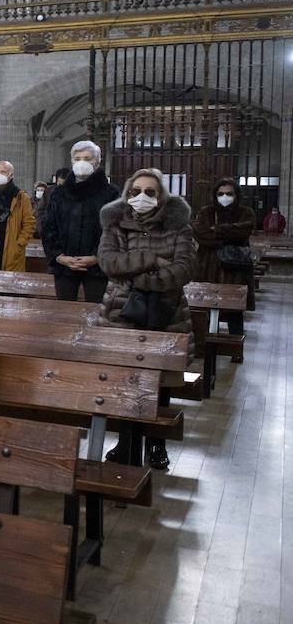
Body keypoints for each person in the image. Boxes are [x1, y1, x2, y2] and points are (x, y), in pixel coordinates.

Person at [96, 168, 195, 471]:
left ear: (161, 196)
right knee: (124, 383)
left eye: (150, 192)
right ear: (127, 194)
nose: (142, 197)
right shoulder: (115, 225)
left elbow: (184, 269)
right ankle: (125, 442)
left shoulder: (178, 227)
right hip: (121, 315)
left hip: (165, 314)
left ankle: (157, 444)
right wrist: (152, 260)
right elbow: (108, 262)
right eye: (136, 191)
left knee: (160, 382)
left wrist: (138, 279)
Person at [40, 140, 118, 302]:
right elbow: (48, 228)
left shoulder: (110, 193)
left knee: (95, 312)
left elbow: (114, 230)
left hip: (98, 267)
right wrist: (59, 256)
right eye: (77, 158)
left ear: (97, 161)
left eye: (87, 158)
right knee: (64, 312)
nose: (81, 162)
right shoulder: (58, 193)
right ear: (72, 161)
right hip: (64, 266)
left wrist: (97, 256)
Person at [192, 178, 256, 334]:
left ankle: (236, 351)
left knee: (234, 310)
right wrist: (227, 237)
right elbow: (200, 234)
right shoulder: (207, 211)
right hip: (207, 267)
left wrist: (216, 231)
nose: (225, 197)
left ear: (236, 195)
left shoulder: (246, 212)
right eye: (220, 193)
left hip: (235, 268)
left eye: (229, 193)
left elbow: (243, 231)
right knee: (204, 310)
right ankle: (203, 347)